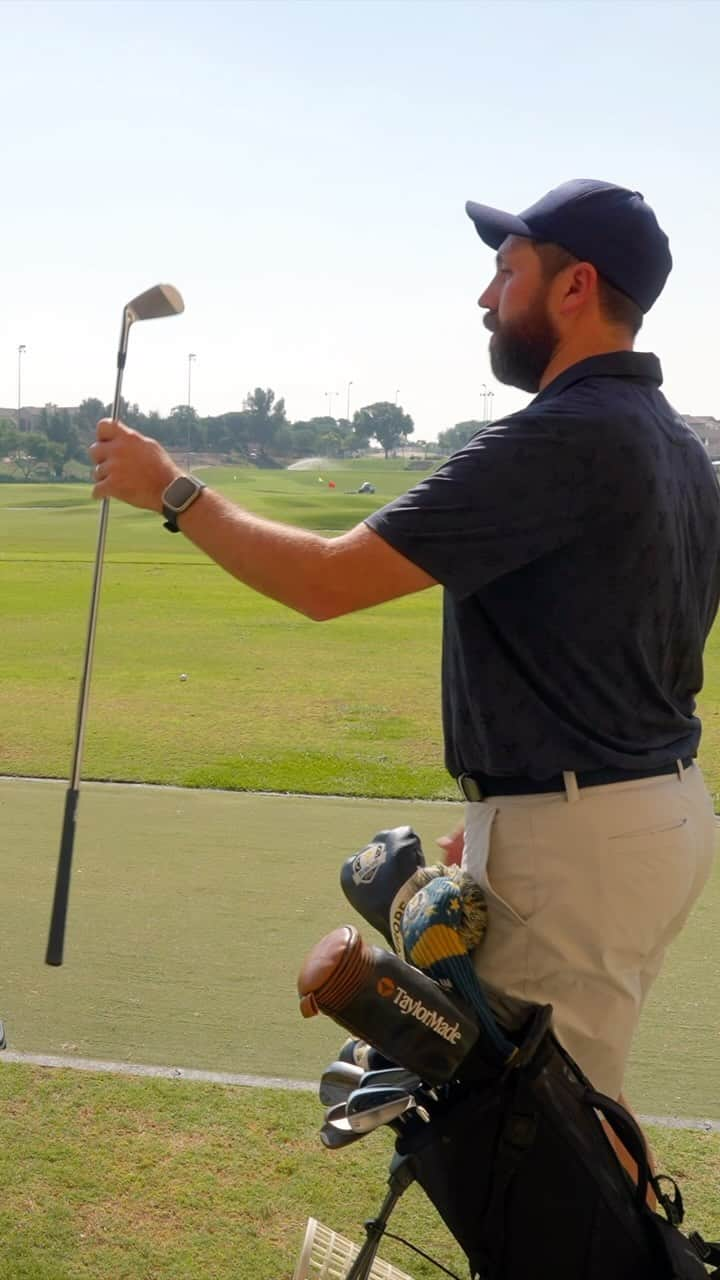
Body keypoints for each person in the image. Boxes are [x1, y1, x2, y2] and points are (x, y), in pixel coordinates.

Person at [91, 178, 719, 1171]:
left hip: (585, 841)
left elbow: (327, 579)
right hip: (647, 817)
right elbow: (620, 651)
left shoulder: (560, 436)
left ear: (575, 287)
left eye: (506, 270)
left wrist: (172, 489)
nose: (484, 297)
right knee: (587, 1123)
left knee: (546, 1168)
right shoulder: (677, 445)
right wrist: (508, 810)